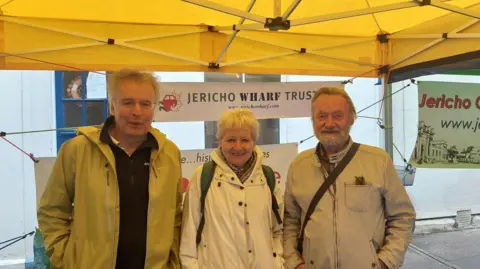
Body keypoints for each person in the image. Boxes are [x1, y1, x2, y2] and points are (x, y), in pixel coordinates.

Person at [37, 69, 183, 269]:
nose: (137, 111)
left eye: (145, 104)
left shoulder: (169, 153)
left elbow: (175, 216)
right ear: (112, 105)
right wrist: (65, 260)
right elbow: (52, 212)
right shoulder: (77, 150)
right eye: (127, 102)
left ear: (154, 108)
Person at [283, 87, 416, 269]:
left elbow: (403, 217)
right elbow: (290, 222)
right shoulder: (299, 166)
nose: (329, 123)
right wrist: (294, 263)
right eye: (322, 116)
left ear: (352, 119)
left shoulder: (378, 161)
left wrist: (386, 262)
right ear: (313, 120)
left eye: (338, 116)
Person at [180, 108, 285, 269]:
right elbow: (189, 236)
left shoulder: (267, 178)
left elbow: (278, 230)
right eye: (230, 140)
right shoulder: (202, 177)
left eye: (245, 139)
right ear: (220, 140)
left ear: (254, 142)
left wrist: (278, 263)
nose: (238, 147)